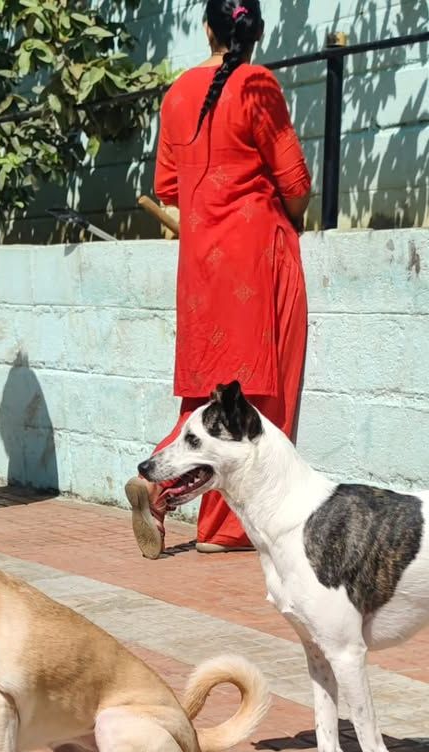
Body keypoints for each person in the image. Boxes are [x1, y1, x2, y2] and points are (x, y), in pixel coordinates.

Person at [126, 0, 311, 558]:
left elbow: (168, 187)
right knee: (260, 392)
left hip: (201, 261)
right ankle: (223, 529)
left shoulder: (177, 93)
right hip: (259, 253)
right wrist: (293, 219)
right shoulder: (257, 83)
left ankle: (160, 485)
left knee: (206, 388)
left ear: (207, 28)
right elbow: (296, 184)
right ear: (256, 32)